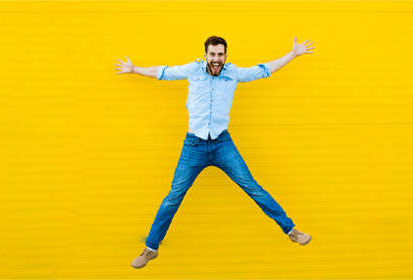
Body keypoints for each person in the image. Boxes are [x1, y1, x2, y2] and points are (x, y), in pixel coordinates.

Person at [115, 36, 315, 269]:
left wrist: (292, 54)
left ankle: (291, 230)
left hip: (222, 144)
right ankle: (151, 248)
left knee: (253, 187)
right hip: (194, 146)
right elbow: (162, 72)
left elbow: (264, 70)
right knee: (173, 197)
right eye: (212, 54)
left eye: (220, 54)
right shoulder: (193, 70)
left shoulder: (234, 73)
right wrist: (134, 69)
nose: (216, 59)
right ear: (206, 56)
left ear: (225, 56)